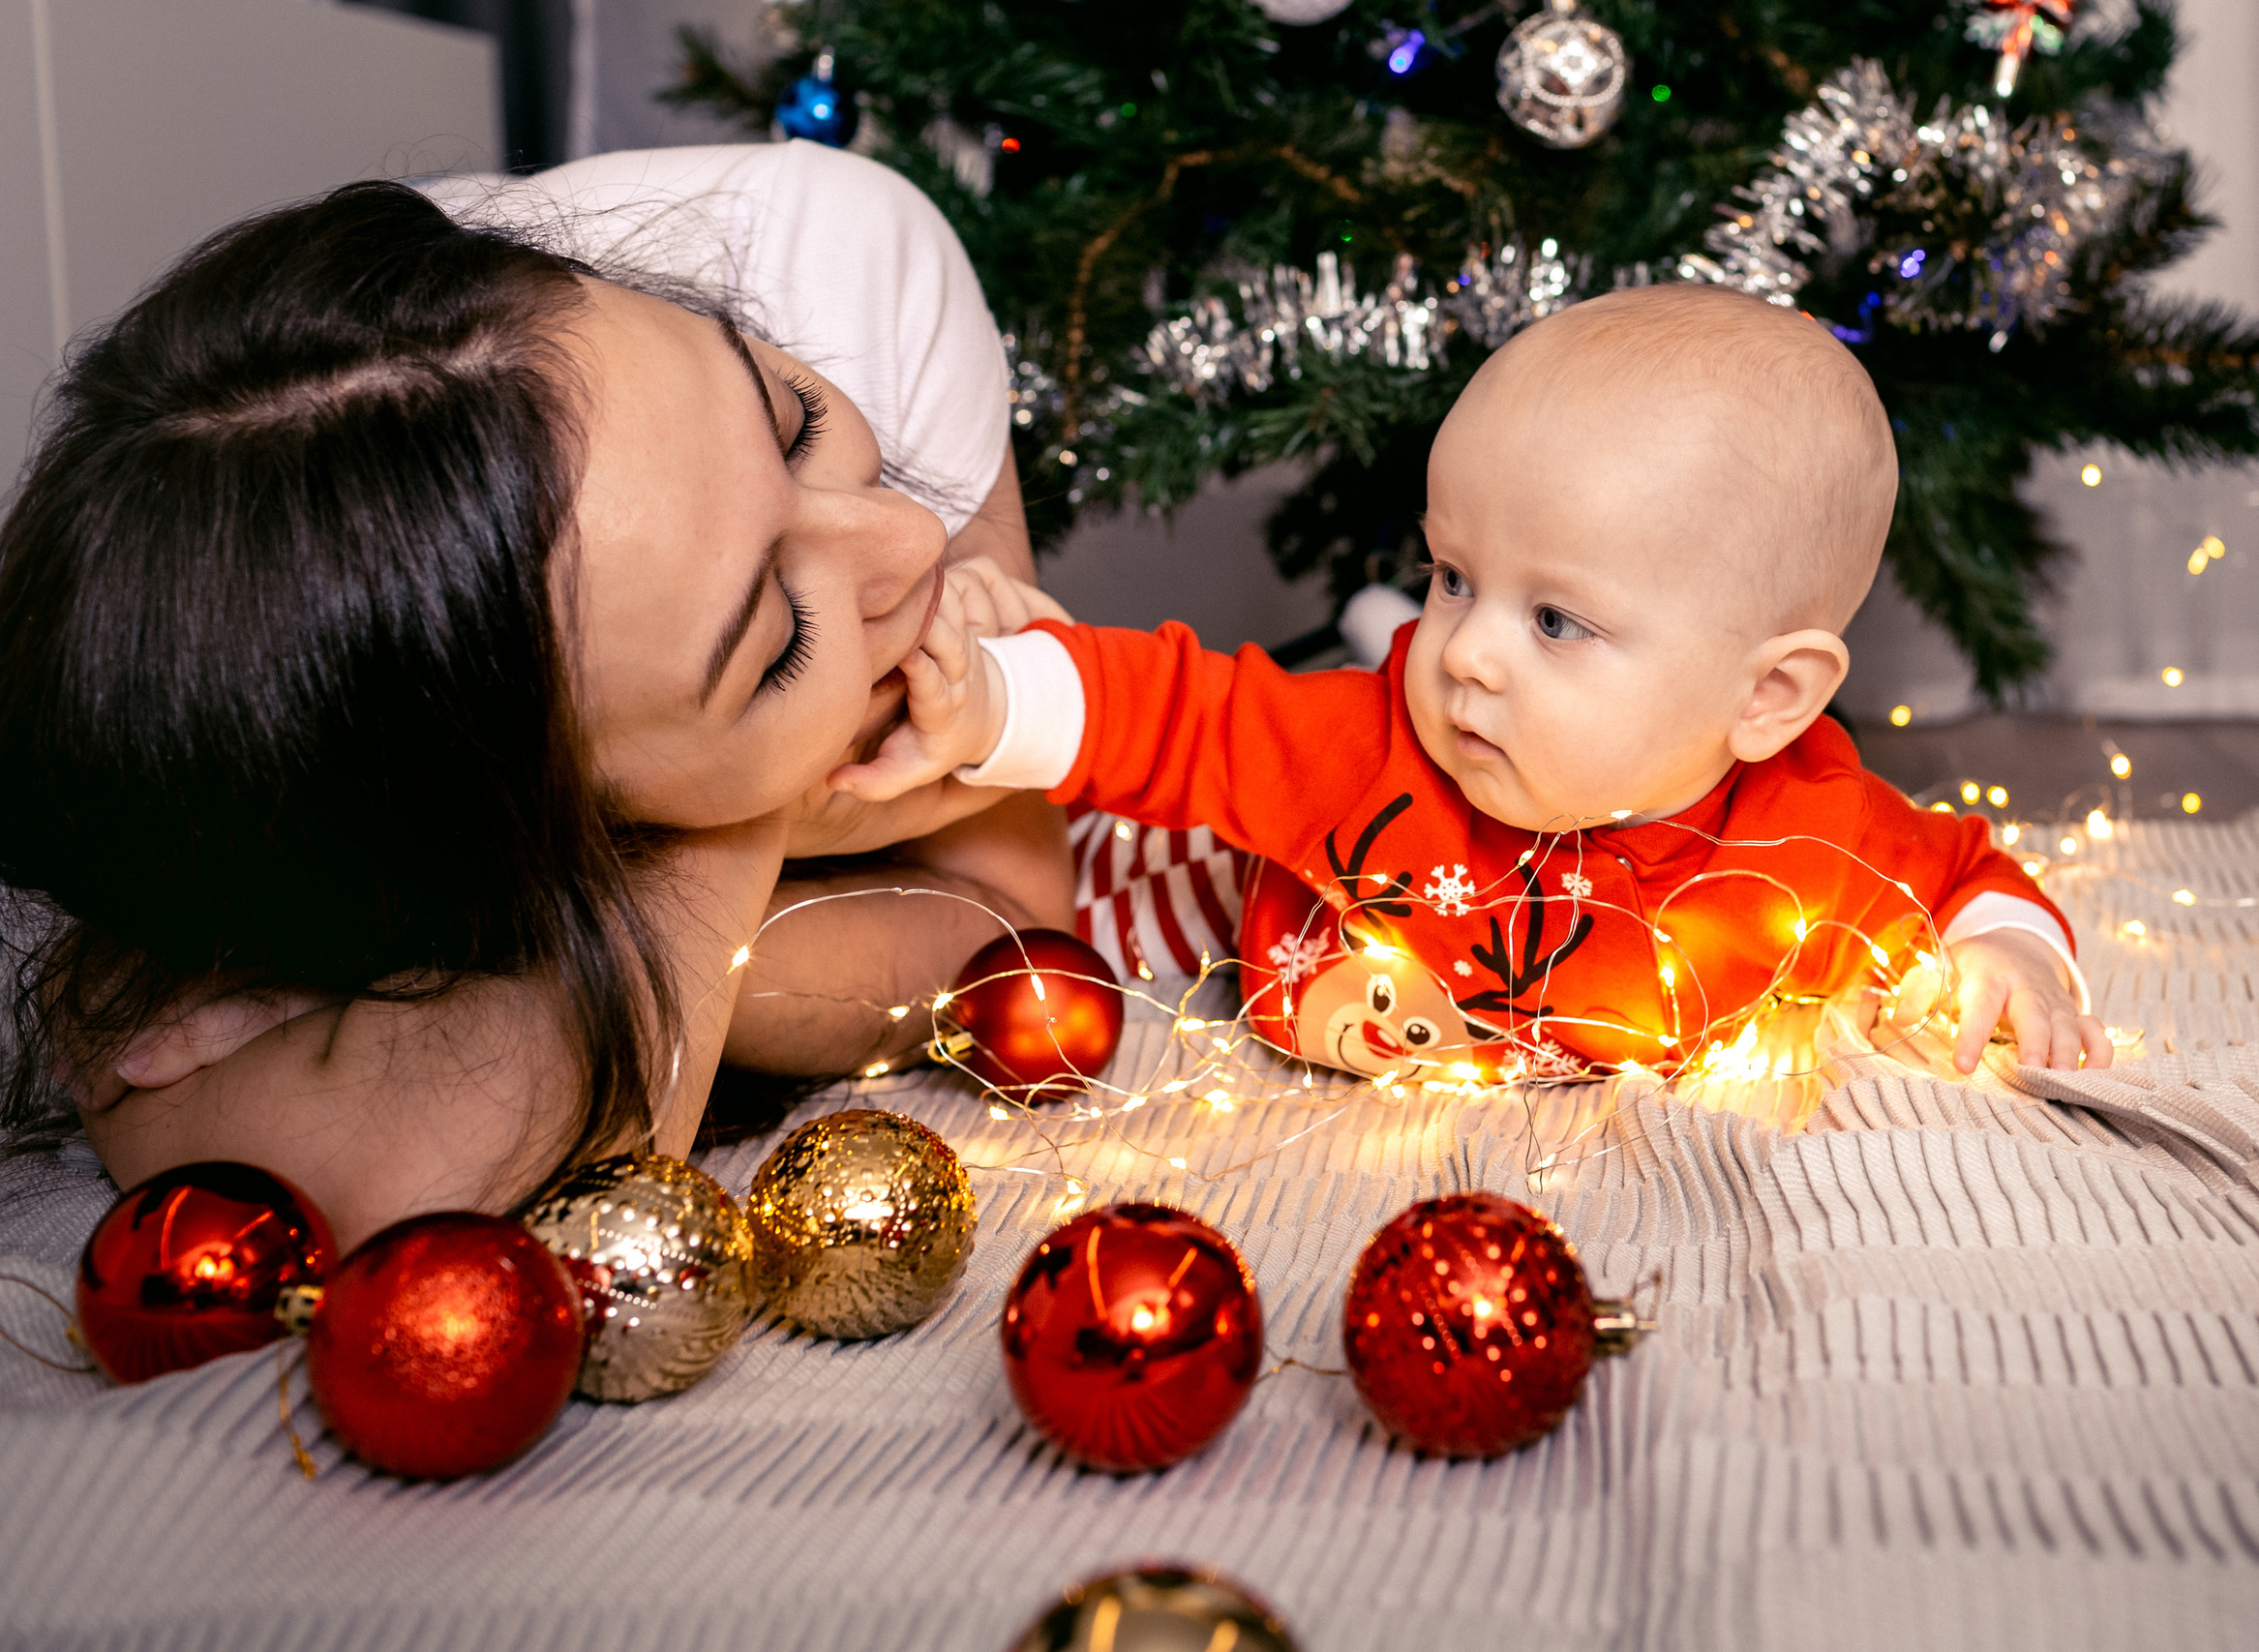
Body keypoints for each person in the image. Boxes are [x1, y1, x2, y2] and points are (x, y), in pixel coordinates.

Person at [0, 143, 1072, 1248]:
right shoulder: (276, 724)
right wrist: (743, 836)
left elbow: (1019, 929)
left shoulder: (839, 261)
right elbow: (392, 1178)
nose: (906, 539)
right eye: (777, 639)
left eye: (793, 418)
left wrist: (532, 967)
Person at [840, 285, 2113, 1079]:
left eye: (1557, 618)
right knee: (1037, 915)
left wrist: (2014, 955)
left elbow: (1965, 876)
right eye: (1454, 576)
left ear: (1769, 697)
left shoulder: (1814, 838)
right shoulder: (1383, 739)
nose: (1470, 653)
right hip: (1227, 878)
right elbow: (1180, 715)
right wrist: (992, 701)